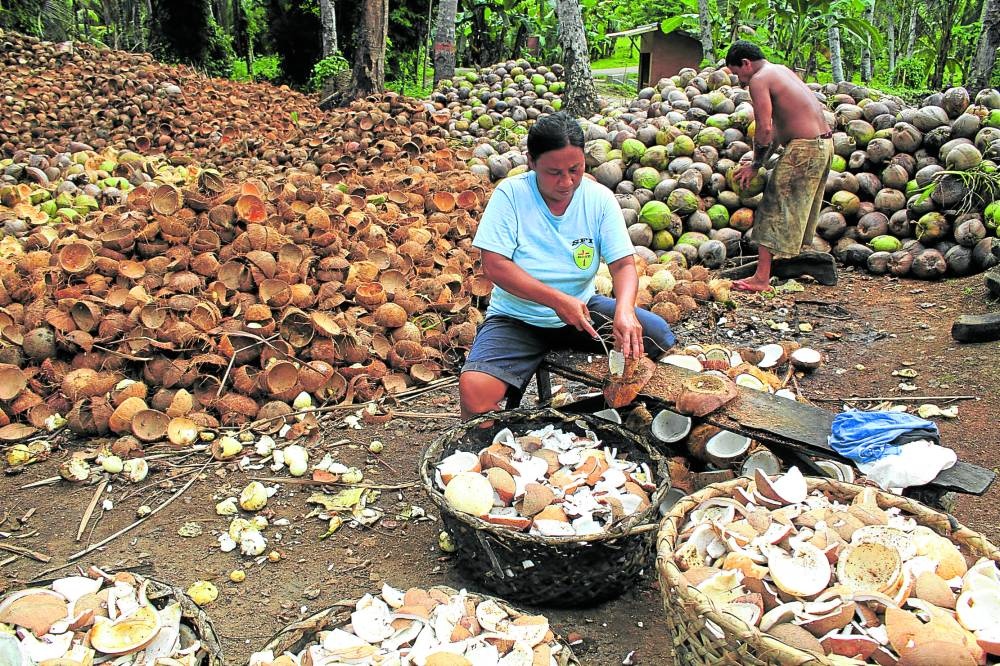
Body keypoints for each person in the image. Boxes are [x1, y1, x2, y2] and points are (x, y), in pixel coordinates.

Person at [459, 112, 677, 419]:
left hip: (582, 311)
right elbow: (495, 266)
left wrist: (625, 310)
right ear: (531, 162)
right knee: (474, 391)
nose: (567, 182)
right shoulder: (511, 195)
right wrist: (556, 300)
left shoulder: (599, 199)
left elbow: (623, 265)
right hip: (518, 317)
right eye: (554, 172)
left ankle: (613, 413)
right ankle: (485, 453)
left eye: (575, 169)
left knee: (658, 336)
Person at [726, 40, 835, 292]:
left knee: (772, 207)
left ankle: (761, 279)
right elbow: (777, 127)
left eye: (737, 74)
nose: (740, 82)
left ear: (746, 63)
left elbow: (763, 128)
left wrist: (754, 166)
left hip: (805, 149)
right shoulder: (781, 70)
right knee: (793, 209)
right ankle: (787, 262)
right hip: (823, 145)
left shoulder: (758, 80)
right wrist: (762, 159)